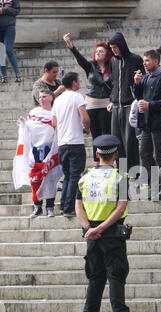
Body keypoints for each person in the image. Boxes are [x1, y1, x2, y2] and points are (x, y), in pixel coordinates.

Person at [75, 134, 143, 312]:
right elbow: (121, 206)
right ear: (115, 154)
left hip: (91, 234)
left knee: (95, 279)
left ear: (97, 154)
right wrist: (102, 228)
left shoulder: (85, 176)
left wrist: (89, 228)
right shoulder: (120, 177)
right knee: (116, 277)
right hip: (112, 233)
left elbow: (77, 205)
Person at [63, 33, 113, 167]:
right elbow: (80, 59)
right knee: (95, 133)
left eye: (101, 51)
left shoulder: (113, 67)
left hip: (106, 103)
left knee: (106, 132)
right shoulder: (90, 67)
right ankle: (97, 162)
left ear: (107, 54)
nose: (98, 53)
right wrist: (71, 46)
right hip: (91, 103)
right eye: (96, 51)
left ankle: (107, 160)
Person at [13, 89, 63, 218]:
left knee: (50, 179)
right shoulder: (34, 112)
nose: (41, 99)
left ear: (51, 98)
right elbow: (29, 127)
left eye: (44, 96)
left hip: (50, 148)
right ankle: (37, 206)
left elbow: (58, 128)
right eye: (40, 97)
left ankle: (50, 207)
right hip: (34, 149)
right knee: (35, 178)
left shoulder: (54, 112)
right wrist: (23, 123)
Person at [133, 50, 161, 196]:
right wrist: (137, 84)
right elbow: (139, 97)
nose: (144, 63)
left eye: (147, 61)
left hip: (160, 123)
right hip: (146, 123)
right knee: (144, 153)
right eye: (144, 61)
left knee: (160, 155)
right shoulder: (145, 78)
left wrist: (150, 105)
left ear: (156, 62)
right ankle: (156, 184)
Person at [52, 72, 90, 216]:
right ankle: (69, 208)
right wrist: (86, 129)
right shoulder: (77, 97)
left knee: (67, 176)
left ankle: (63, 205)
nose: (79, 82)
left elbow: (54, 122)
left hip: (62, 143)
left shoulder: (58, 100)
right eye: (78, 80)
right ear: (74, 83)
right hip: (75, 142)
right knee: (75, 176)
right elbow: (85, 117)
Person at [107, 32, 145, 173]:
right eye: (112, 48)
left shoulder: (135, 59)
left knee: (130, 141)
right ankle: (122, 172)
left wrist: (137, 83)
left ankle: (133, 172)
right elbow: (113, 83)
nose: (114, 50)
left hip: (130, 105)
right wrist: (111, 99)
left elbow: (143, 80)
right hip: (116, 106)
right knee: (117, 141)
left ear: (122, 45)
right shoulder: (113, 61)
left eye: (116, 47)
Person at [0, 0, 21, 83]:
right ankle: (3, 76)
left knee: (8, 50)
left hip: (9, 27)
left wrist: (3, 10)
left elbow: (17, 10)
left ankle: (17, 74)